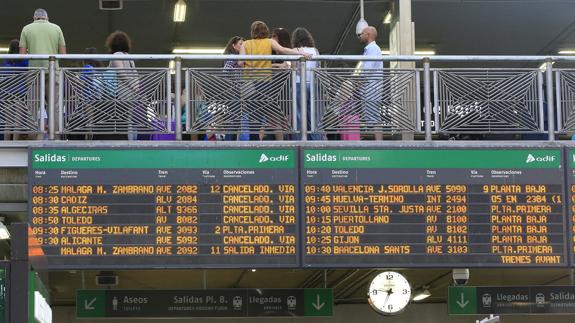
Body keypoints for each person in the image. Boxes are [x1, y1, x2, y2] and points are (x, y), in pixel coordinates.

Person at [239, 21, 310, 141]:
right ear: (265, 31)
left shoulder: (245, 44)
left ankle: (254, 146)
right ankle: (280, 145)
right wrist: (301, 53)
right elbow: (283, 50)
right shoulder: (269, 42)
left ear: (252, 31)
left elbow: (240, 62)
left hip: (248, 84)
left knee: (253, 118)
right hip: (265, 83)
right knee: (273, 115)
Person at [19, 8, 66, 139]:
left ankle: (33, 136)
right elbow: (63, 54)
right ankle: (56, 136)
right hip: (53, 71)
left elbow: (21, 55)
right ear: (47, 18)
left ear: (34, 18)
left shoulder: (26, 29)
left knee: (32, 104)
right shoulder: (56, 28)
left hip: (34, 72)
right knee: (55, 105)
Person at [105, 30, 140, 140]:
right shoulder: (130, 58)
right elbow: (136, 76)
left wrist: (131, 85)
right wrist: (135, 88)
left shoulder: (116, 55)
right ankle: (130, 144)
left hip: (118, 96)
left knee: (118, 126)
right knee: (128, 122)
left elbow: (121, 73)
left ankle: (124, 145)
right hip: (130, 96)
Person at [291, 27, 322, 140]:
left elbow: (294, 68)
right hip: (312, 84)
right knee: (313, 115)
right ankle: (316, 139)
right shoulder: (315, 50)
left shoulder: (296, 50)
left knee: (299, 113)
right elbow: (318, 67)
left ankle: (299, 140)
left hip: (299, 83)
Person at [358, 26, 384, 140]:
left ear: (368, 34)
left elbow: (367, 70)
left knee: (373, 115)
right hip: (371, 87)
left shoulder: (373, 49)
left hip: (372, 87)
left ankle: (379, 143)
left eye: (361, 34)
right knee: (371, 115)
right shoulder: (371, 49)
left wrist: (357, 82)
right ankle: (378, 142)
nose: (360, 36)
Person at [1, 39, 29, 140]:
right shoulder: (25, 60)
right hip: (20, 93)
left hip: (8, 93)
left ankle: (6, 142)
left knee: (8, 121)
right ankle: (15, 141)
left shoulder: (6, 61)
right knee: (18, 121)